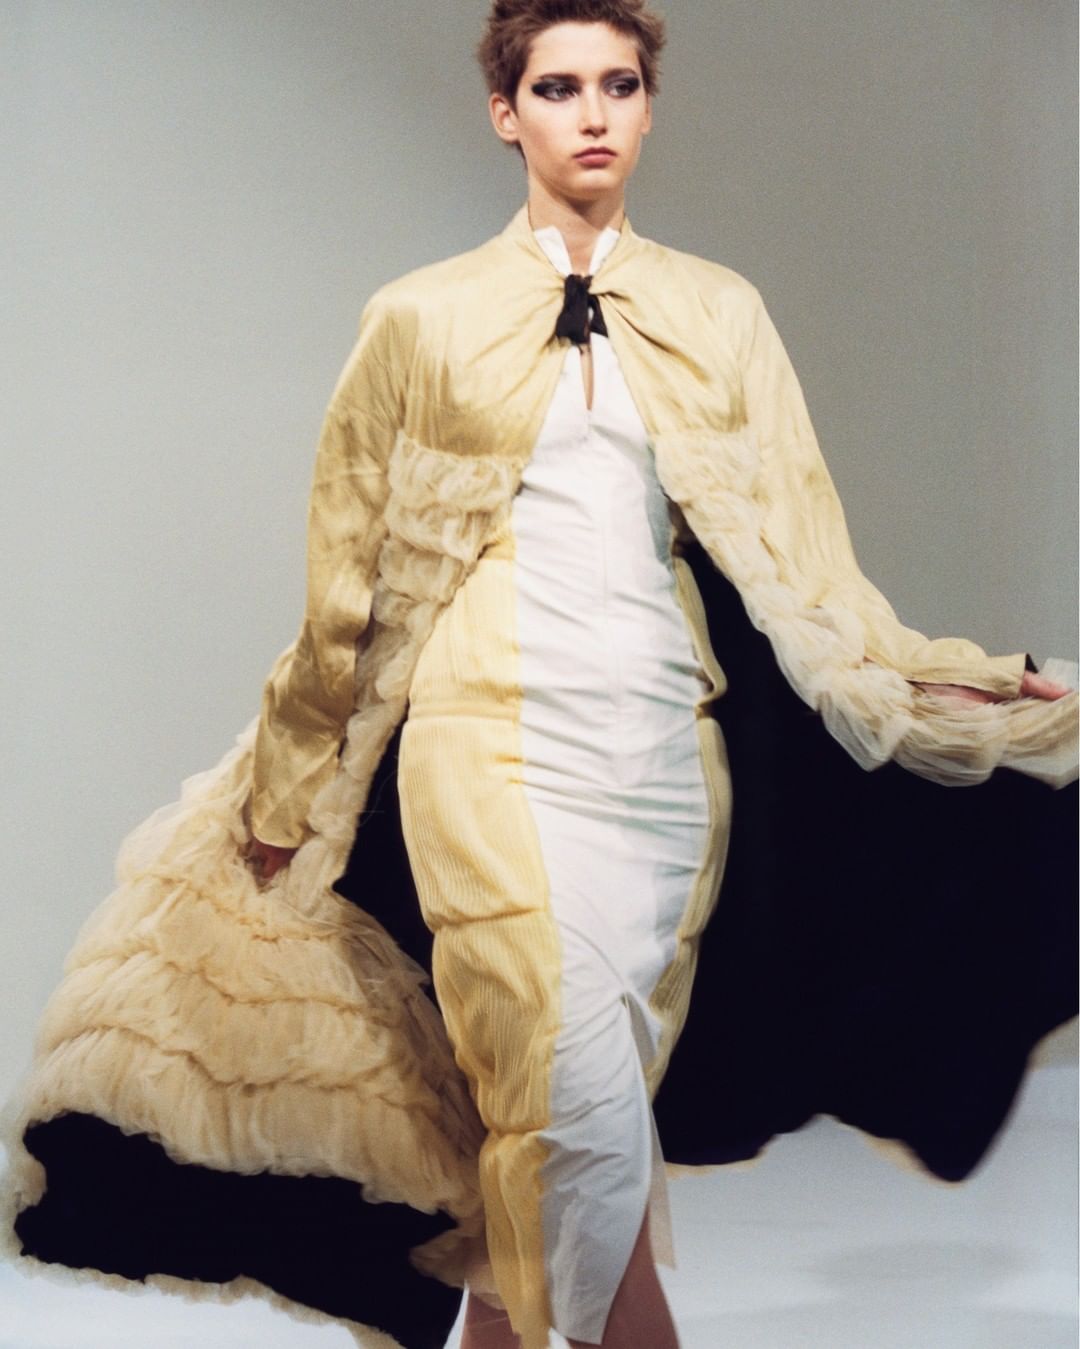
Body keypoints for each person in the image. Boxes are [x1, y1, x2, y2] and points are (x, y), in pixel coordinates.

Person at [4, 4, 1076, 1349]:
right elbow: (346, 585)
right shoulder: (419, 316)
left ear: (648, 105)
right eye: (558, 87)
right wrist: (284, 790)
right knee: (566, 1094)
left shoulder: (720, 312)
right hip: (484, 743)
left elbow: (812, 564)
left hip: (665, 760)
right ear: (505, 113)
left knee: (564, 1108)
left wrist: (956, 682)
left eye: (619, 85)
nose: (593, 114)